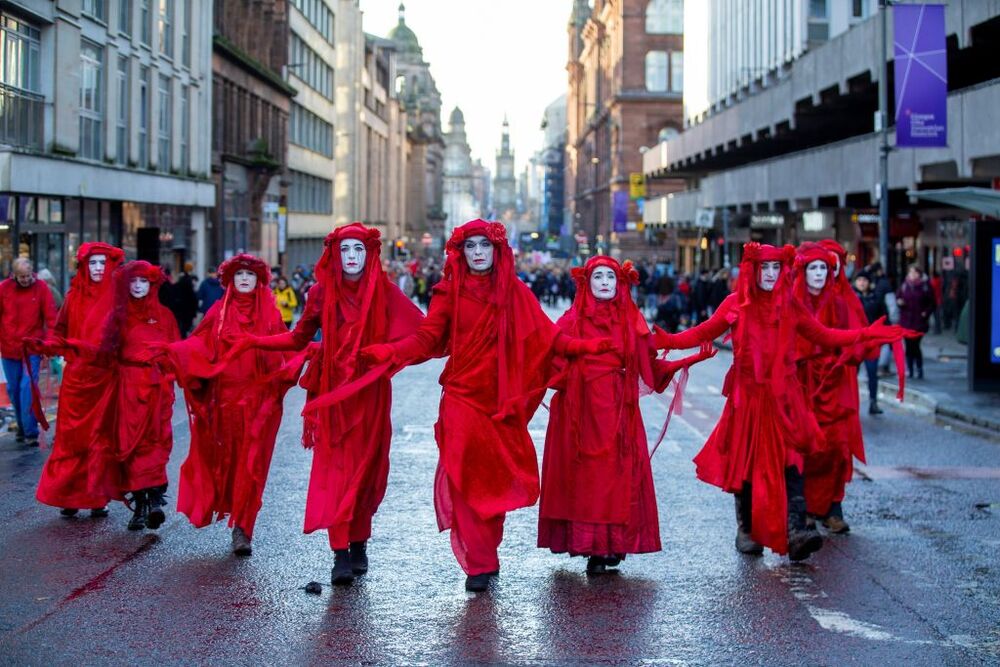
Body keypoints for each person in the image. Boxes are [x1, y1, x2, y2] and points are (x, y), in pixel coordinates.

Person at [360, 220, 611, 592]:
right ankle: (478, 564)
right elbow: (428, 338)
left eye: (485, 246)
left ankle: (486, 552)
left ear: (497, 251)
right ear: (461, 252)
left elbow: (549, 336)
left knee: (493, 483)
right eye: (470, 246)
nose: (478, 252)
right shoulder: (448, 292)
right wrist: (391, 351)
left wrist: (584, 347)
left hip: (502, 405)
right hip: (462, 398)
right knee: (465, 479)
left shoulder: (516, 292)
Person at [654, 243, 907, 561]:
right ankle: (746, 530)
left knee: (792, 463)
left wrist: (865, 335)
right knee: (746, 465)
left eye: (777, 268)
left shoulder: (790, 305)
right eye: (766, 268)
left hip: (785, 400)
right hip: (748, 401)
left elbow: (824, 336)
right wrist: (667, 341)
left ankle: (795, 530)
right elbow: (702, 331)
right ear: (753, 270)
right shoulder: (736, 303)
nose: (772, 274)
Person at [229, 223, 424, 583]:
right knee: (335, 473)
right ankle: (339, 554)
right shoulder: (320, 293)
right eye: (344, 250)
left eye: (358, 250)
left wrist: (389, 351)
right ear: (334, 254)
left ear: (370, 254)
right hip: (332, 399)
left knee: (367, 473)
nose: (351, 257)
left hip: (370, 397)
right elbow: (299, 337)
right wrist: (254, 342)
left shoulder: (386, 292)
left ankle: (359, 540)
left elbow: (424, 336)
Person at [538, 256, 716, 574]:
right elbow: (546, 351)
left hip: (619, 411)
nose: (605, 282)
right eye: (598, 277)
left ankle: (610, 545)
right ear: (587, 282)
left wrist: (683, 362)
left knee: (614, 477)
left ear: (620, 283)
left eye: (611, 276)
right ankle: (590, 545)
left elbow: (650, 367)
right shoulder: (571, 319)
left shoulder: (631, 319)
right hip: (580, 413)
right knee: (587, 478)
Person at [164, 254, 291, 556]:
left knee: (252, 466)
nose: (244, 279)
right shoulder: (218, 312)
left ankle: (244, 528)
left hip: (259, 406)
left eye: (249, 274)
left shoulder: (271, 316)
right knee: (226, 465)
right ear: (230, 280)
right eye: (238, 274)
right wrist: (171, 352)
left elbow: (286, 347)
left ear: (258, 279)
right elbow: (198, 344)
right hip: (225, 406)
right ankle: (231, 514)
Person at [33, 243, 125, 517]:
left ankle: (97, 496)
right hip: (77, 380)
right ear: (85, 266)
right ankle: (68, 495)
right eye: (93, 263)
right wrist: (47, 345)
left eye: (103, 263)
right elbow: (59, 331)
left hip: (105, 379)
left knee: (99, 438)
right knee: (72, 438)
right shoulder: (73, 296)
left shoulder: (119, 298)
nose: (98, 268)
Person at [93, 261, 180, 531]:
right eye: (134, 281)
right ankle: (140, 505)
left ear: (152, 285)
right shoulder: (117, 315)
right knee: (130, 445)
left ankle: (154, 500)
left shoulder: (165, 316)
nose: (139, 286)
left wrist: (169, 371)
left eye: (144, 281)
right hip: (128, 388)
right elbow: (104, 354)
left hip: (157, 387)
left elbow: (177, 351)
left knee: (156, 442)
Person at [792, 242, 869, 534]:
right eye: (814, 267)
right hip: (803, 383)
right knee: (805, 448)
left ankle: (831, 507)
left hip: (835, 383)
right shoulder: (793, 300)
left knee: (836, 446)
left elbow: (858, 340)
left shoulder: (840, 302)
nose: (821, 273)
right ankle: (806, 509)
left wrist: (851, 355)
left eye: (825, 267)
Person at [0, 258, 57, 447]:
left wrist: (48, 343)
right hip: (9, 348)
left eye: (28, 275)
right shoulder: (4, 289)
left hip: (31, 348)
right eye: (21, 277)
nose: (25, 280)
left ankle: (31, 431)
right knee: (13, 390)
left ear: (32, 271)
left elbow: (51, 318)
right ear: (13, 275)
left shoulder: (41, 288)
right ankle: (23, 428)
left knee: (27, 387)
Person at [852, 272, 887, 415]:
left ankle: (873, 402)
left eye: (864, 280)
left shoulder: (876, 298)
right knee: (851, 374)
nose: (861, 282)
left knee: (872, 373)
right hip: (853, 341)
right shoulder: (850, 297)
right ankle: (852, 403)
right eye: (859, 279)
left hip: (871, 342)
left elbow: (884, 318)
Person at [896, 265, 934, 380]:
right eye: (910, 272)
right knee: (908, 346)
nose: (912, 275)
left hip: (919, 321)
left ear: (919, 274)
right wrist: (899, 302)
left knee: (916, 345)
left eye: (914, 272)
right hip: (906, 321)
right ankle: (910, 369)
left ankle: (919, 368)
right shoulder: (904, 285)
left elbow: (932, 303)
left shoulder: (925, 287)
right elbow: (898, 297)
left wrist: (925, 313)